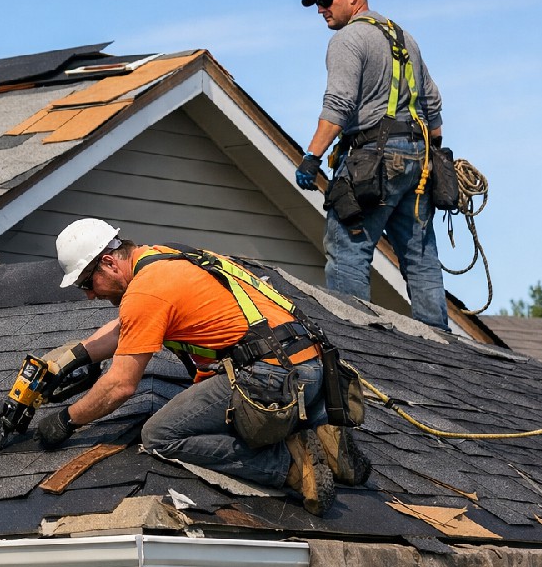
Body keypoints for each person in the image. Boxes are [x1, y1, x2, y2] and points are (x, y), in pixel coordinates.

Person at [31, 218, 370, 516]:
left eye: (86, 284)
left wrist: (65, 421)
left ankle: (292, 465)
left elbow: (121, 385)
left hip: (268, 376)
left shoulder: (145, 292)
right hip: (313, 371)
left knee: (159, 435)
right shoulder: (168, 257)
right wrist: (74, 357)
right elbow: (127, 328)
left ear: (108, 262)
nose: (89, 295)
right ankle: (326, 438)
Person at [295, 0, 449, 330]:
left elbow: (339, 105)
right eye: (317, 3)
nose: (321, 10)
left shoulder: (349, 40)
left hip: (372, 161)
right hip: (418, 158)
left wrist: (311, 157)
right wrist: (431, 157)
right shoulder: (404, 37)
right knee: (421, 257)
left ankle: (358, 345)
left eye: (326, 1)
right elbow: (433, 104)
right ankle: (444, 347)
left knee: (348, 250)